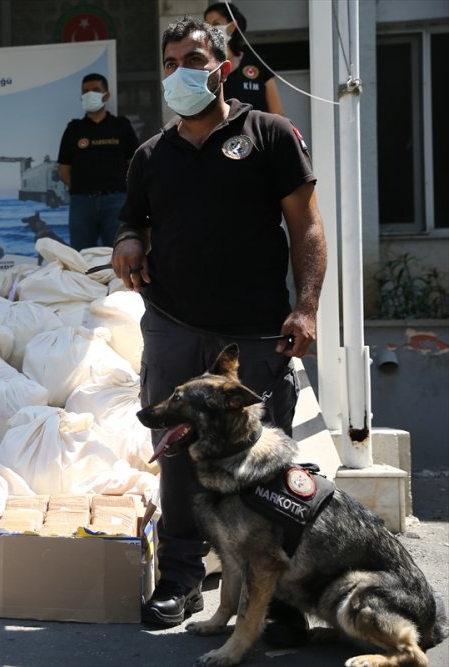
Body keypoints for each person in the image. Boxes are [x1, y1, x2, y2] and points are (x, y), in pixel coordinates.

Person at [109, 18, 326, 632]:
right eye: (173, 60)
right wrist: (127, 241)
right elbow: (133, 221)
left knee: (265, 459)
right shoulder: (151, 155)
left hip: (254, 331)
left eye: (195, 58)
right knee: (177, 454)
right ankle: (181, 577)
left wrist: (305, 306)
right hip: (175, 324)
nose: (184, 70)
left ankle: (279, 593)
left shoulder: (270, 134)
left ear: (222, 66)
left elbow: (306, 226)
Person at [57, 73, 139, 251]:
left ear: (106, 95)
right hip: (82, 203)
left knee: (120, 253)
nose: (90, 94)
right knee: (81, 258)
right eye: (85, 92)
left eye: (95, 90)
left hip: (116, 202)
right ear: (81, 97)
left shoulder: (121, 126)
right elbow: (64, 170)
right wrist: (83, 189)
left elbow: (134, 165)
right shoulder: (73, 129)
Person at [204, 2, 284, 115]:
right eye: (207, 25)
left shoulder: (257, 62)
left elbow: (277, 112)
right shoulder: (205, 68)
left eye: (216, 23)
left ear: (232, 26)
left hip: (256, 132)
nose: (211, 29)